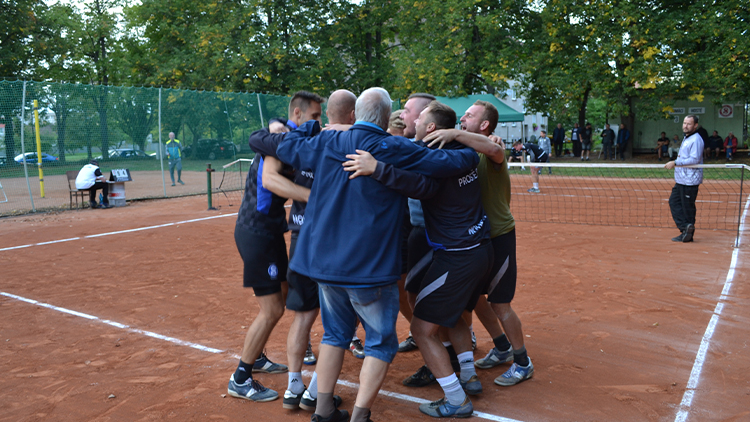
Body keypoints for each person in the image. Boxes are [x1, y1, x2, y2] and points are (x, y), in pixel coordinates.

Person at [276, 87, 479, 422]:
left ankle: (324, 411)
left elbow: (270, 143)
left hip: (326, 266)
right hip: (369, 270)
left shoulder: (325, 141)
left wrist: (305, 129)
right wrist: (463, 137)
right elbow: (460, 161)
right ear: (387, 118)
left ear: (354, 114)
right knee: (381, 344)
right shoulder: (392, 146)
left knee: (334, 336)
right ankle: (359, 416)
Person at [343, 100, 494, 418]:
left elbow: (416, 180)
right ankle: (467, 374)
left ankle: (456, 399)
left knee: (423, 329)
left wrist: (376, 166)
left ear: (430, 128)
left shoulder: (436, 160)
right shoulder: (464, 154)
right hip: (474, 250)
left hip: (459, 256)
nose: (409, 117)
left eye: (419, 116)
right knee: (449, 314)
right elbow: (423, 163)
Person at [249, 90, 355, 412]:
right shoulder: (342, 144)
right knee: (340, 322)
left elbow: (258, 139)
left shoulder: (300, 144)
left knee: (303, 316)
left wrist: (273, 127)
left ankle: (294, 386)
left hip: (299, 237)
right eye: (313, 116)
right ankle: (315, 394)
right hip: (330, 240)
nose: (317, 120)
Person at [423, 101, 533, 389]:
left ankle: (523, 362)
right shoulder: (463, 151)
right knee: (473, 300)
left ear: (484, 125)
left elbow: (495, 150)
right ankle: (501, 346)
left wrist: (454, 134)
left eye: (469, 115)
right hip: (475, 241)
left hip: (499, 236)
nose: (463, 118)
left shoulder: (490, 150)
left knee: (500, 303)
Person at [227, 91, 324, 405]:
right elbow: (270, 180)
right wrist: (313, 198)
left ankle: (256, 358)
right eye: (314, 117)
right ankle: (240, 377)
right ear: (297, 114)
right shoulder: (280, 140)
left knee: (282, 295)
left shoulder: (284, 134)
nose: (318, 123)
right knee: (273, 310)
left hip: (269, 231)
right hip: (257, 232)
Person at [397, 93, 437, 354]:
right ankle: (420, 335)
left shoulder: (442, 149)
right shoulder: (409, 143)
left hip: (432, 232)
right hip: (409, 227)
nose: (403, 115)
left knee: (433, 296)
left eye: (409, 111)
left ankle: (452, 350)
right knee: (406, 287)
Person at [665, 115, 704, 243]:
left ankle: (687, 232)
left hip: (690, 180)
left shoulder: (696, 140)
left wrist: (675, 162)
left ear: (695, 125)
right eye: (684, 123)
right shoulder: (687, 138)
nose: (685, 126)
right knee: (674, 202)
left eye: (689, 124)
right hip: (682, 179)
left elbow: (694, 159)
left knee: (687, 207)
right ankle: (685, 228)